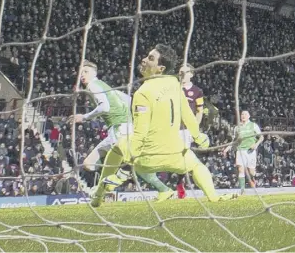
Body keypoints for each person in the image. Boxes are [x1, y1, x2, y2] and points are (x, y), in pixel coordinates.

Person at [90, 44, 236, 207]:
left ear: (161, 68)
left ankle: (99, 195)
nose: (144, 60)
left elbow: (140, 132)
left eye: (150, 58)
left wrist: (130, 160)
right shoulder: (174, 84)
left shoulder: (142, 93)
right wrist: (198, 136)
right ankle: (213, 196)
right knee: (196, 165)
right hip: (175, 154)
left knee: (117, 148)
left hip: (147, 157)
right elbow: (187, 114)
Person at [68, 60, 132, 188]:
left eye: (85, 71)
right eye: (80, 73)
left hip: (119, 127)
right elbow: (128, 99)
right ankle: (106, 184)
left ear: (94, 73)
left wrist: (84, 117)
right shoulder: (104, 85)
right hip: (120, 128)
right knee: (88, 164)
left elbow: (105, 107)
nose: (82, 75)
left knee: (128, 161)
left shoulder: (93, 85)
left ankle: (121, 178)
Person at [177, 64, 205, 199]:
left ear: (191, 74)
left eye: (185, 72)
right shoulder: (173, 89)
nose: (182, 74)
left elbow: (199, 111)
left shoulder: (197, 91)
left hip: (185, 130)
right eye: (180, 72)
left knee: (183, 156)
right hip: (171, 127)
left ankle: (179, 185)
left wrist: (195, 128)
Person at [222, 110, 263, 195]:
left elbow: (261, 137)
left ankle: (253, 183)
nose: (243, 116)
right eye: (242, 114)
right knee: (241, 169)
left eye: (245, 114)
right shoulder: (237, 128)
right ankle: (242, 190)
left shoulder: (253, 125)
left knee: (251, 172)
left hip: (250, 151)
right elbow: (234, 141)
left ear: (249, 116)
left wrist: (256, 145)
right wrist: (227, 149)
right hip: (240, 150)